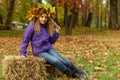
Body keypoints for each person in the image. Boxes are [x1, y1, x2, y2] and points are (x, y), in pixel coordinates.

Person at [20, 7, 87, 79]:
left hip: (48, 48)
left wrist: (56, 33)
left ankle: (77, 71)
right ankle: (72, 75)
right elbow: (25, 40)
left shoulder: (46, 27)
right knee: (56, 61)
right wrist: (22, 54)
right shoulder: (31, 27)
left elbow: (51, 41)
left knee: (62, 60)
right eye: (41, 17)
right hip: (39, 51)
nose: (44, 19)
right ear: (37, 17)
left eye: (45, 17)